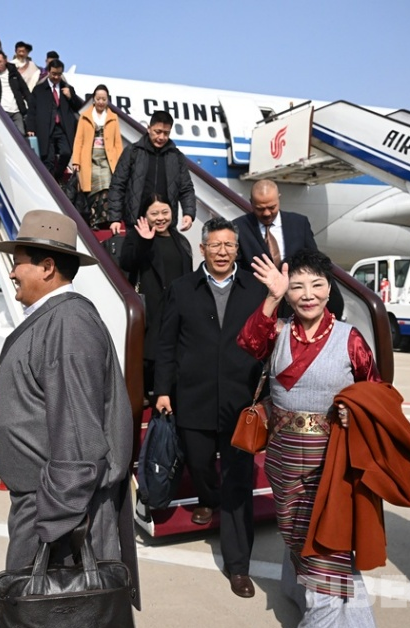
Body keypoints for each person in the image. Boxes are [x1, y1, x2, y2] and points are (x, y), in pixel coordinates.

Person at [0, 210, 139, 607]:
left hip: (59, 510)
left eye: (18, 263)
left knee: (59, 612)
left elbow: (79, 437)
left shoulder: (68, 324)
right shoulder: (57, 319)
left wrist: (54, 524)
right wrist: (3, 398)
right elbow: (54, 393)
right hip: (48, 503)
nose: (12, 273)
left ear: (47, 267)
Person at [237, 249, 381, 626]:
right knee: (296, 535)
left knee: (328, 543)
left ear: (329, 288)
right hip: (283, 458)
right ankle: (305, 594)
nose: (307, 294)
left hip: (332, 461)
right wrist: (271, 298)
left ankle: (329, 616)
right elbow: (249, 343)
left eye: (316, 285)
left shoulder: (351, 339)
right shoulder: (278, 330)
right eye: (297, 286)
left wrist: (355, 410)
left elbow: (376, 393)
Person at [154, 217, 266, 598]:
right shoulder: (182, 289)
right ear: (202, 248)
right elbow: (166, 344)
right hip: (194, 397)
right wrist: (162, 390)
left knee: (238, 481)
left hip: (240, 401)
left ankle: (238, 565)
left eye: (229, 245)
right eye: (215, 245)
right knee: (199, 462)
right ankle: (207, 497)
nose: (222, 252)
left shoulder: (256, 290)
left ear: (238, 249)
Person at [120, 195, 192, 402]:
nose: (160, 218)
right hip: (151, 305)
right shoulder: (136, 237)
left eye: (165, 212)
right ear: (145, 215)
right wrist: (144, 241)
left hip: (176, 305)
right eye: (154, 213)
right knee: (150, 352)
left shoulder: (180, 240)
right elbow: (127, 263)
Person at [235, 179, 343, 316]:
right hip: (257, 307)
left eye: (272, 207)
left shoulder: (299, 224)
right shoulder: (239, 228)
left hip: (294, 306)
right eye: (260, 209)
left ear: (279, 199)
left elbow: (315, 262)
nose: (267, 213)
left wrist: (334, 301)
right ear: (251, 203)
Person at [108, 110, 196, 235]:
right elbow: (117, 185)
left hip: (165, 226)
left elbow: (186, 188)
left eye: (166, 133)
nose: (161, 137)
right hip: (136, 225)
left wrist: (188, 213)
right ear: (149, 128)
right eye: (157, 132)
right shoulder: (132, 152)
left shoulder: (177, 157)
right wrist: (115, 218)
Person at [71, 84, 123, 229]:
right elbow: (79, 140)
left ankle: (103, 219)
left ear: (107, 100)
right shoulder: (85, 116)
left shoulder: (113, 118)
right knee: (93, 189)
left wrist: (120, 161)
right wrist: (76, 161)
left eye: (104, 99)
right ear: (93, 99)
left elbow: (117, 142)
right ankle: (94, 220)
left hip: (107, 158)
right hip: (90, 158)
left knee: (106, 186)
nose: (101, 102)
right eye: (98, 99)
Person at [25, 59, 83, 181]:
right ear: (48, 72)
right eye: (53, 74)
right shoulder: (39, 90)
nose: (56, 77)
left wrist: (70, 96)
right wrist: (30, 127)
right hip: (46, 128)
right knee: (48, 158)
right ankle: (50, 183)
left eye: (59, 74)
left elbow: (78, 107)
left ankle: (57, 176)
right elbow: (32, 110)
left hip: (63, 128)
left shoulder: (67, 88)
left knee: (67, 152)